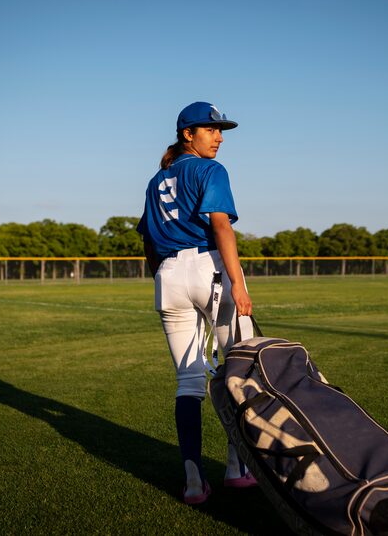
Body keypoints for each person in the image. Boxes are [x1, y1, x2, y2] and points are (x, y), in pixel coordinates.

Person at [137, 101, 257, 505]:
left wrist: (164, 277)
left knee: (189, 382)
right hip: (209, 269)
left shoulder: (157, 180)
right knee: (239, 370)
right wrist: (239, 284)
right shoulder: (209, 169)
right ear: (187, 134)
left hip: (168, 276)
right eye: (210, 129)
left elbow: (149, 241)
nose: (219, 137)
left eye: (221, 130)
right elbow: (221, 225)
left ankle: (192, 482)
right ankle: (236, 469)